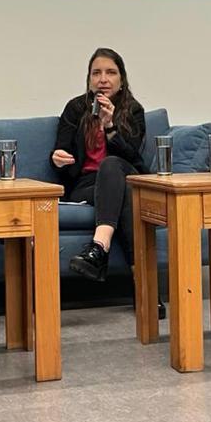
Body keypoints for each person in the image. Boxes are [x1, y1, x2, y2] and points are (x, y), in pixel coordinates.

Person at [52, 48, 148, 282]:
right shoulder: (75, 108)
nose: (103, 79)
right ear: (89, 79)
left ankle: (98, 248)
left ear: (122, 80)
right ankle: (144, 287)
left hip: (124, 174)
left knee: (112, 165)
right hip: (87, 185)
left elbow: (132, 156)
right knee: (125, 195)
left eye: (110, 72)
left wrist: (110, 127)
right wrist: (57, 158)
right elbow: (59, 153)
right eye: (96, 73)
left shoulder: (133, 110)